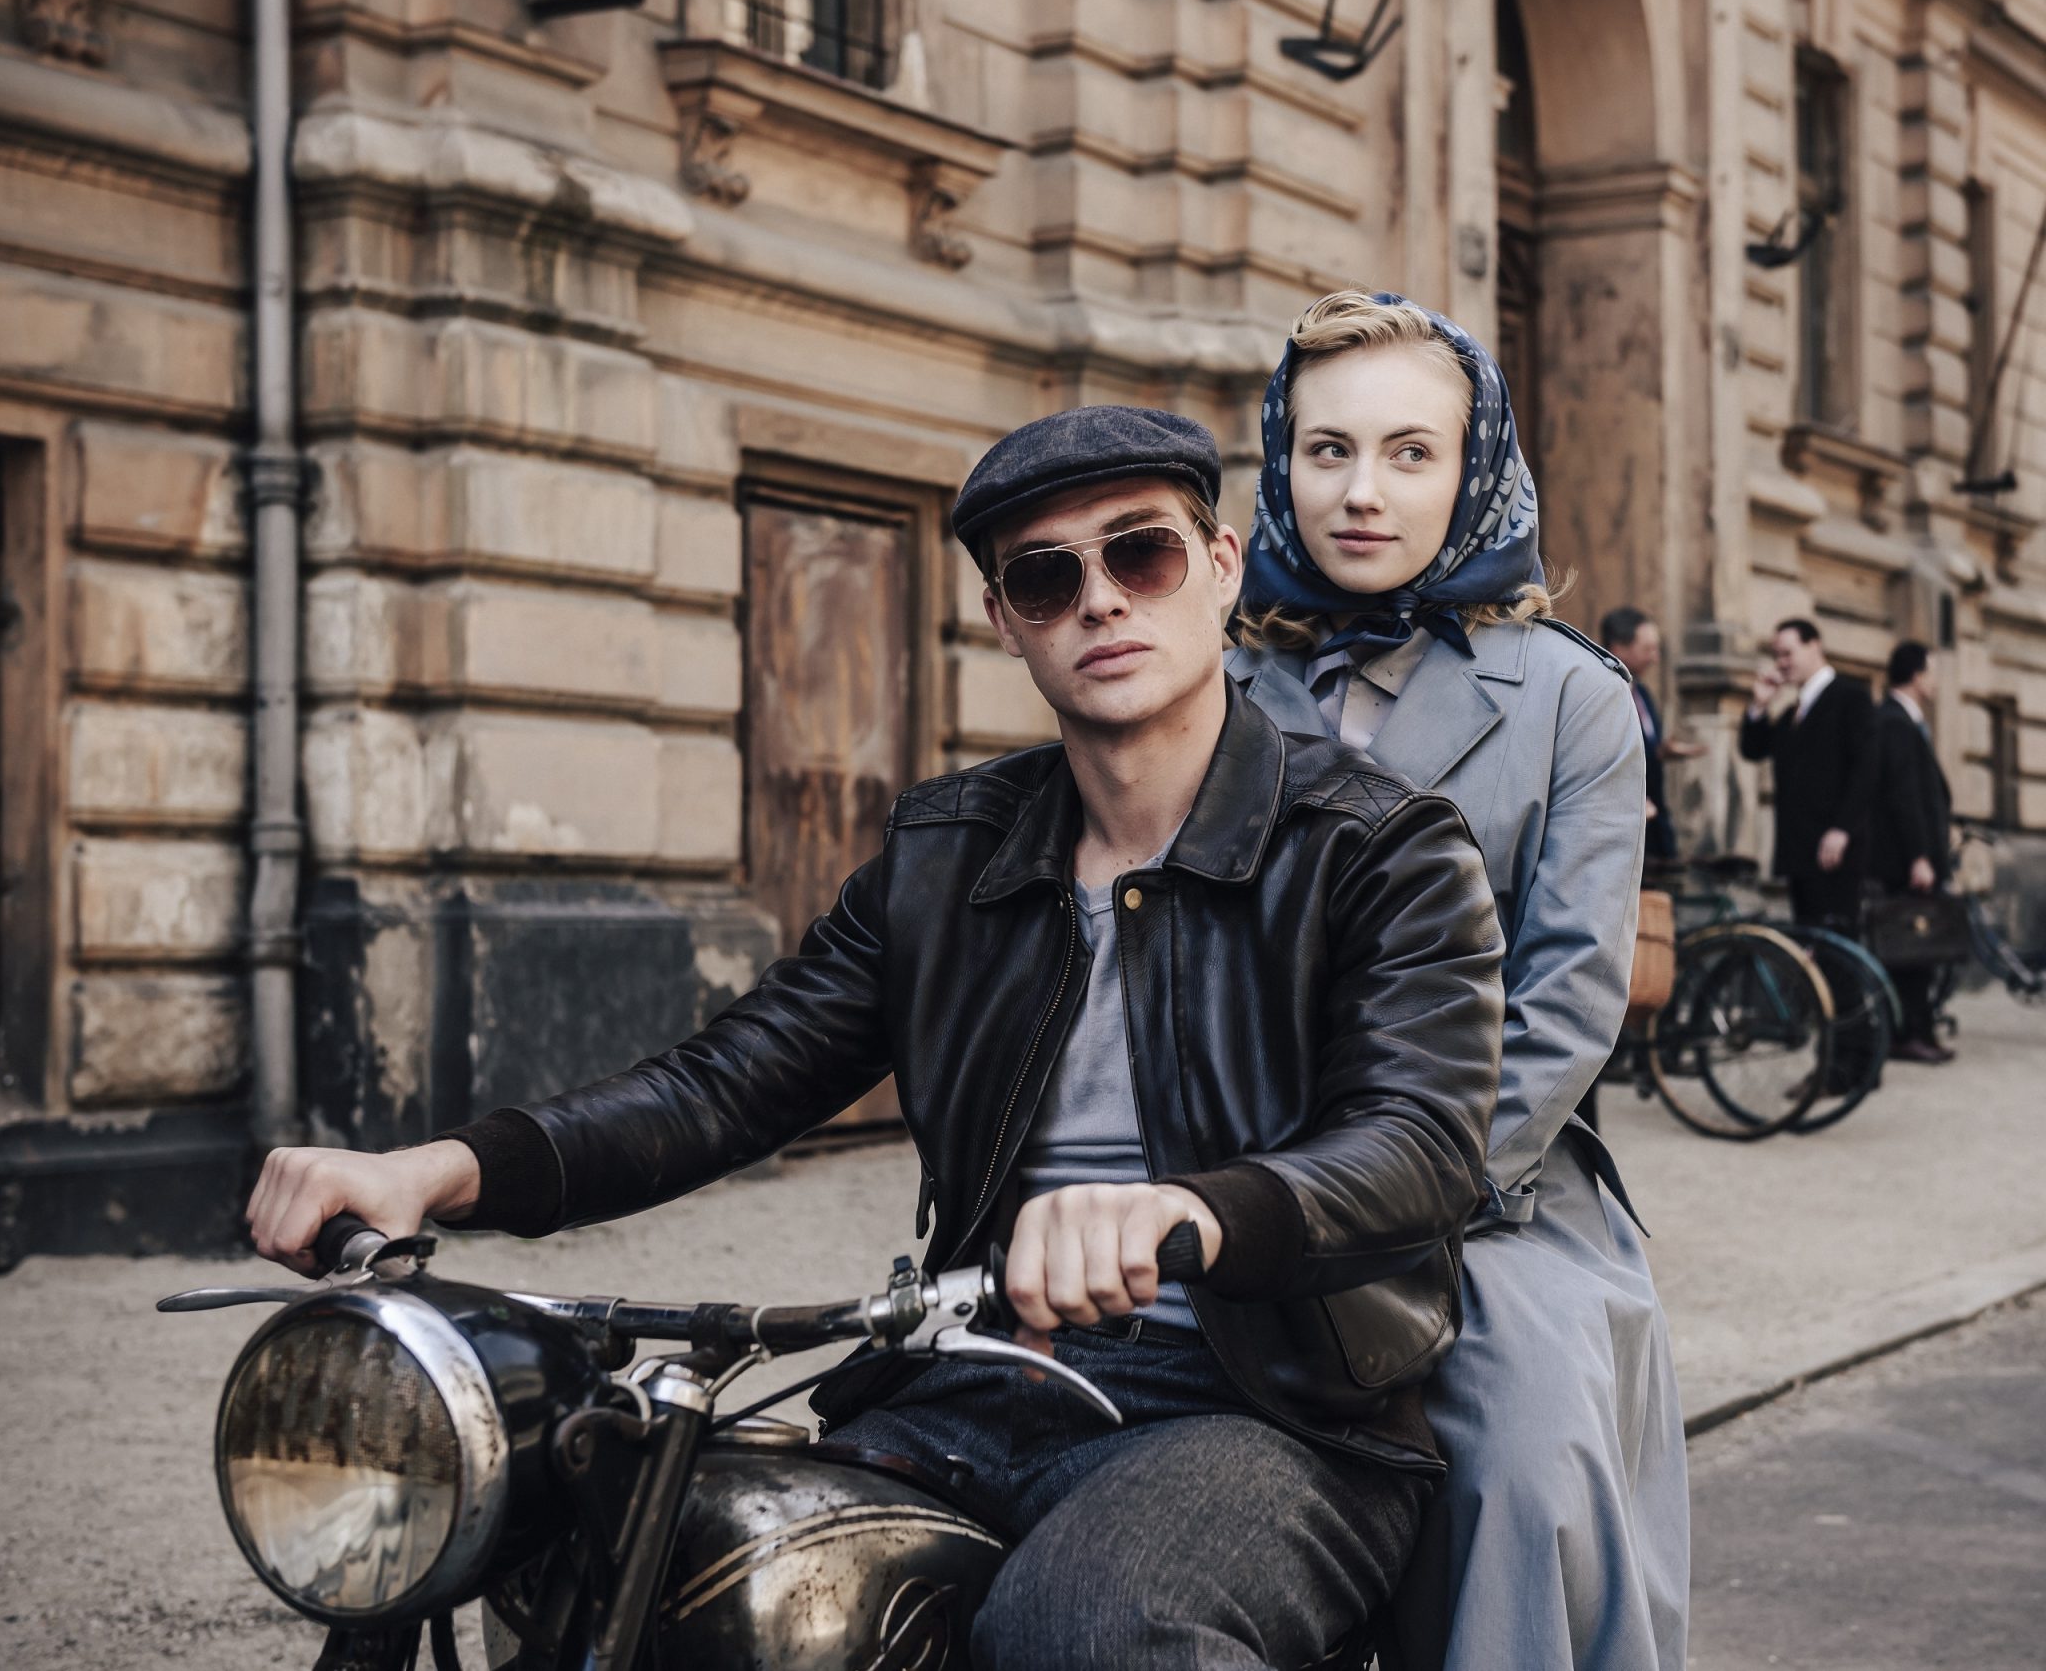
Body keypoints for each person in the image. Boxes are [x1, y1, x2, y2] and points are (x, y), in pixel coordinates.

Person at [244, 406, 1512, 1671]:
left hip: (1269, 1413)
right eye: (1044, 575)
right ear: (1001, 618)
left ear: (1220, 566)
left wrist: (1187, 1210)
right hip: (970, 1375)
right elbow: (724, 1084)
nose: (1100, 603)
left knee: (1088, 1630)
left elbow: (1419, 1143)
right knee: (639, 1561)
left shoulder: (1380, 846)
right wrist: (432, 1172)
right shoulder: (945, 854)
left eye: (1141, 555)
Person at [1229, 290, 1687, 1671]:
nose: (1362, 493)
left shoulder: (1572, 700)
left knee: (1522, 1461)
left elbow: (1567, 1003)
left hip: (1489, 1195)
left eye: (1409, 453)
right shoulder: (1217, 679)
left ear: (1475, 466)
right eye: (1328, 452)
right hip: (1230, 1179)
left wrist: (1382, 1198)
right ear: (1279, 462)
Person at [1737, 617, 1879, 930]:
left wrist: (1842, 829)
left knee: (1837, 950)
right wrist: (1760, 705)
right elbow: (1752, 749)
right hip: (1799, 850)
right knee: (1810, 947)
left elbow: (1867, 767)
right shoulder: (1791, 714)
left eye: (1788, 654)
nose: (1781, 663)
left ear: (1814, 646)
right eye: (1777, 656)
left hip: (1836, 850)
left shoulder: (1850, 697)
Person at [1870, 639, 1954, 1063]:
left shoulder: (1904, 720)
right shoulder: (1895, 722)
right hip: (1905, 861)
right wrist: (1920, 855)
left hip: (1914, 856)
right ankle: (1910, 1033)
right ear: (1918, 675)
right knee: (1912, 952)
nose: (1937, 679)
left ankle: (1921, 1029)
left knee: (1921, 950)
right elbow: (1903, 796)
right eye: (1933, 670)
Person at [1601, 606, 1706, 863]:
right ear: (1619, 647)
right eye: (1648, 649)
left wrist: (1662, 751)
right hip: (1623, 828)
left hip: (1655, 827)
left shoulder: (1643, 694)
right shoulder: (1601, 695)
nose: (1655, 658)